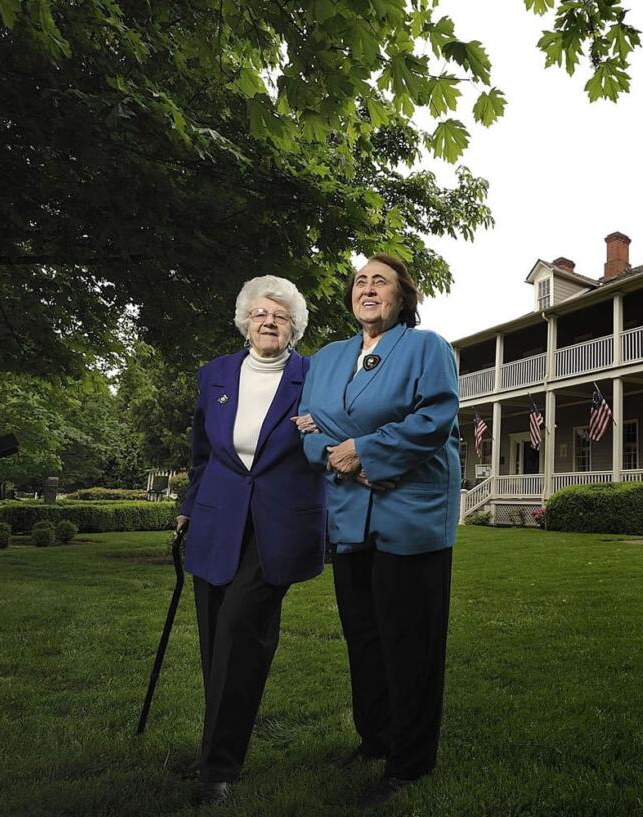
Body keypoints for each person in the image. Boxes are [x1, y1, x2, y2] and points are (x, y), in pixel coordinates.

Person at [293, 254, 460, 809]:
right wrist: (341, 454)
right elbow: (306, 425)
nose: (368, 289)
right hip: (349, 517)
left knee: (409, 642)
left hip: (409, 515)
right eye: (360, 281)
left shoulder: (425, 347)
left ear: (401, 296)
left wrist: (361, 448)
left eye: (380, 281)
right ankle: (375, 740)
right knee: (362, 638)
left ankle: (409, 762)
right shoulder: (329, 358)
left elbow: (433, 420)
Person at [176, 275, 325, 806]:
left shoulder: (313, 375)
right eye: (261, 314)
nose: (269, 322)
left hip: (279, 525)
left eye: (280, 317)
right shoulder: (214, 374)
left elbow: (331, 437)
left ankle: (216, 768)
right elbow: (201, 453)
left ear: (293, 328)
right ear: (245, 322)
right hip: (217, 520)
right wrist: (189, 508)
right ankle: (216, 743)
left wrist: (320, 433)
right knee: (217, 639)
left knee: (241, 631)